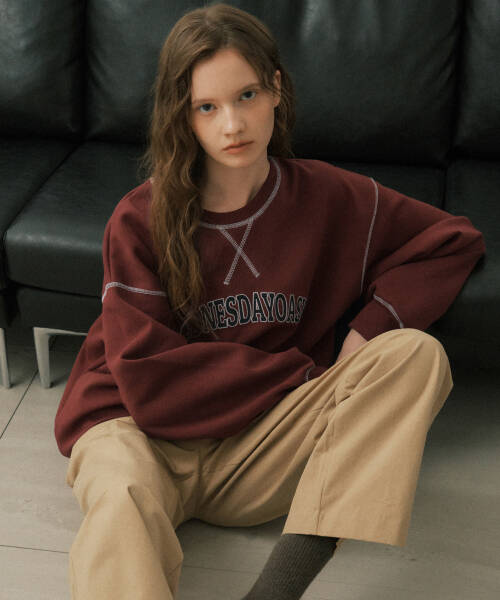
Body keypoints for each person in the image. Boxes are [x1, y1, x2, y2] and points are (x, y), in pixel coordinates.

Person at [55, 3, 486, 599]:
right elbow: (149, 382)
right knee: (120, 500)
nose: (232, 124)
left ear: (276, 89)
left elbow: (451, 240)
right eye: (207, 107)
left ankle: (276, 592)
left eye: (247, 95)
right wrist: (302, 375)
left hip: (257, 447)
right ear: (182, 115)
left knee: (416, 354)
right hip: (134, 433)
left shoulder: (327, 196)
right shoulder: (139, 218)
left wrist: (363, 336)